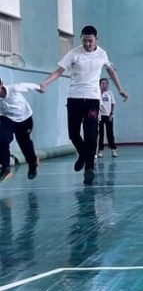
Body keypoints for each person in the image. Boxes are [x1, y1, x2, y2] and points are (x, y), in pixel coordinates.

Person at [39, 25, 128, 185]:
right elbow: (58, 71)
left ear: (96, 39)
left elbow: (111, 71)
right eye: (84, 40)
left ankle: (89, 168)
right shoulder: (74, 54)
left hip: (92, 99)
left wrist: (120, 89)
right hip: (74, 98)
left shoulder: (102, 54)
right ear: (81, 38)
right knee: (73, 133)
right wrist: (45, 83)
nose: (87, 44)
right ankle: (83, 154)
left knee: (91, 134)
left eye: (90, 41)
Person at [0, 79, 40, 182]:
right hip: (7, 117)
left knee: (24, 143)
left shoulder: (13, 89)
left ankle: (33, 163)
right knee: (2, 138)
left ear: (1, 85)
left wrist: (40, 87)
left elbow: (27, 85)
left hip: (24, 119)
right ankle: (5, 167)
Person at [97, 78, 117, 158]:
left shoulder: (110, 93)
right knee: (100, 134)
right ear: (100, 84)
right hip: (100, 116)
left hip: (108, 115)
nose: (104, 85)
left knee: (110, 133)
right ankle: (100, 150)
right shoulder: (97, 92)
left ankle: (113, 149)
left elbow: (113, 103)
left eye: (106, 83)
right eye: (103, 83)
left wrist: (111, 114)